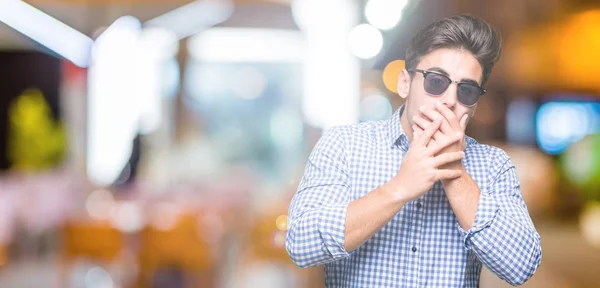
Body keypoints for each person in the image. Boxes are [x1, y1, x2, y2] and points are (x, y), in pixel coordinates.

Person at [286, 14, 542, 287]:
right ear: (405, 83)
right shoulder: (344, 145)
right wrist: (399, 188)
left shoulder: (494, 166)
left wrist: (454, 174)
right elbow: (301, 244)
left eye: (466, 90)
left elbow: (522, 266)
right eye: (436, 82)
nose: (450, 100)